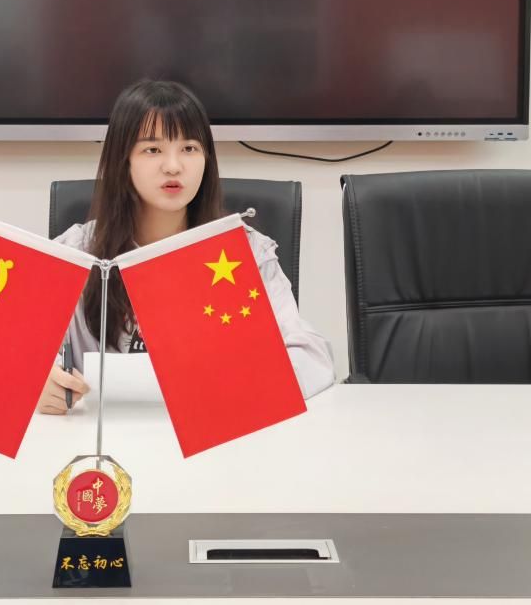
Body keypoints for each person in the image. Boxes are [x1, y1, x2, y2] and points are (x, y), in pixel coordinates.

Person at [36, 78, 335, 414]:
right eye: (152, 150)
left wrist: (244, 384)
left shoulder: (244, 250)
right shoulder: (75, 252)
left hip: (216, 430)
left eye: (189, 148)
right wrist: (35, 382)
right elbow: (11, 350)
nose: (174, 166)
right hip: (102, 436)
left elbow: (311, 356)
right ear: (124, 161)